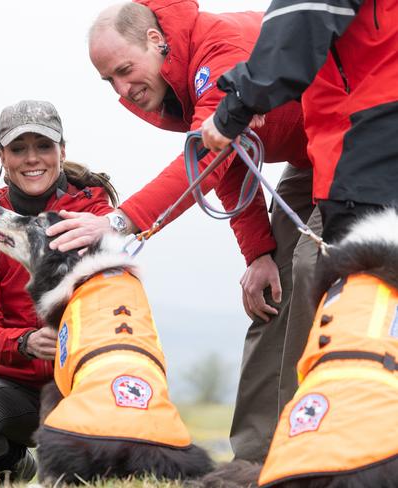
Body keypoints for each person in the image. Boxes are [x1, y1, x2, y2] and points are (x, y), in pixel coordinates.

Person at [46, 1, 319, 462]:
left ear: (156, 41)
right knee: (274, 292)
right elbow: (234, 161)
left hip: (355, 141)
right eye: (109, 79)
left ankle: (305, 447)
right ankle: (253, 459)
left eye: (125, 70)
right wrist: (258, 255)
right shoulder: (175, 79)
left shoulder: (219, 51)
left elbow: (207, 163)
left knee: (313, 266)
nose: (122, 88)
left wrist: (118, 220)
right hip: (308, 154)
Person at [0, 100, 117, 483]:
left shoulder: (95, 218)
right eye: (18, 148)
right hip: (19, 385)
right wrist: (25, 342)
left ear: (62, 151)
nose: (31, 158)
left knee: (77, 474)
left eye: (44, 146)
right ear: (2, 156)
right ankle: (13, 465)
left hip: (89, 382)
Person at [200, 0, 398, 244]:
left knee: (364, 274)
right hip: (370, 139)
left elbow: (301, 21)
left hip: (370, 147)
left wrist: (235, 109)